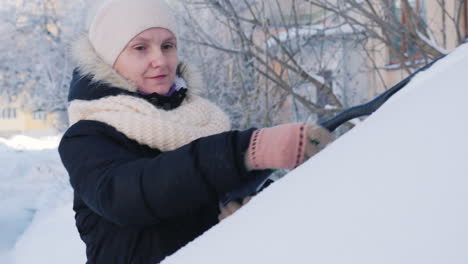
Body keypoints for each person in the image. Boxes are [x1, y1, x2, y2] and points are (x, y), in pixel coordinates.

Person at [58, 0, 333, 263]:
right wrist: (246, 151)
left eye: (168, 46)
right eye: (140, 48)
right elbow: (131, 196)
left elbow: (195, 195)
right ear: (109, 59)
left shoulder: (200, 122)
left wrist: (245, 210)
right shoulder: (88, 136)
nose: (161, 60)